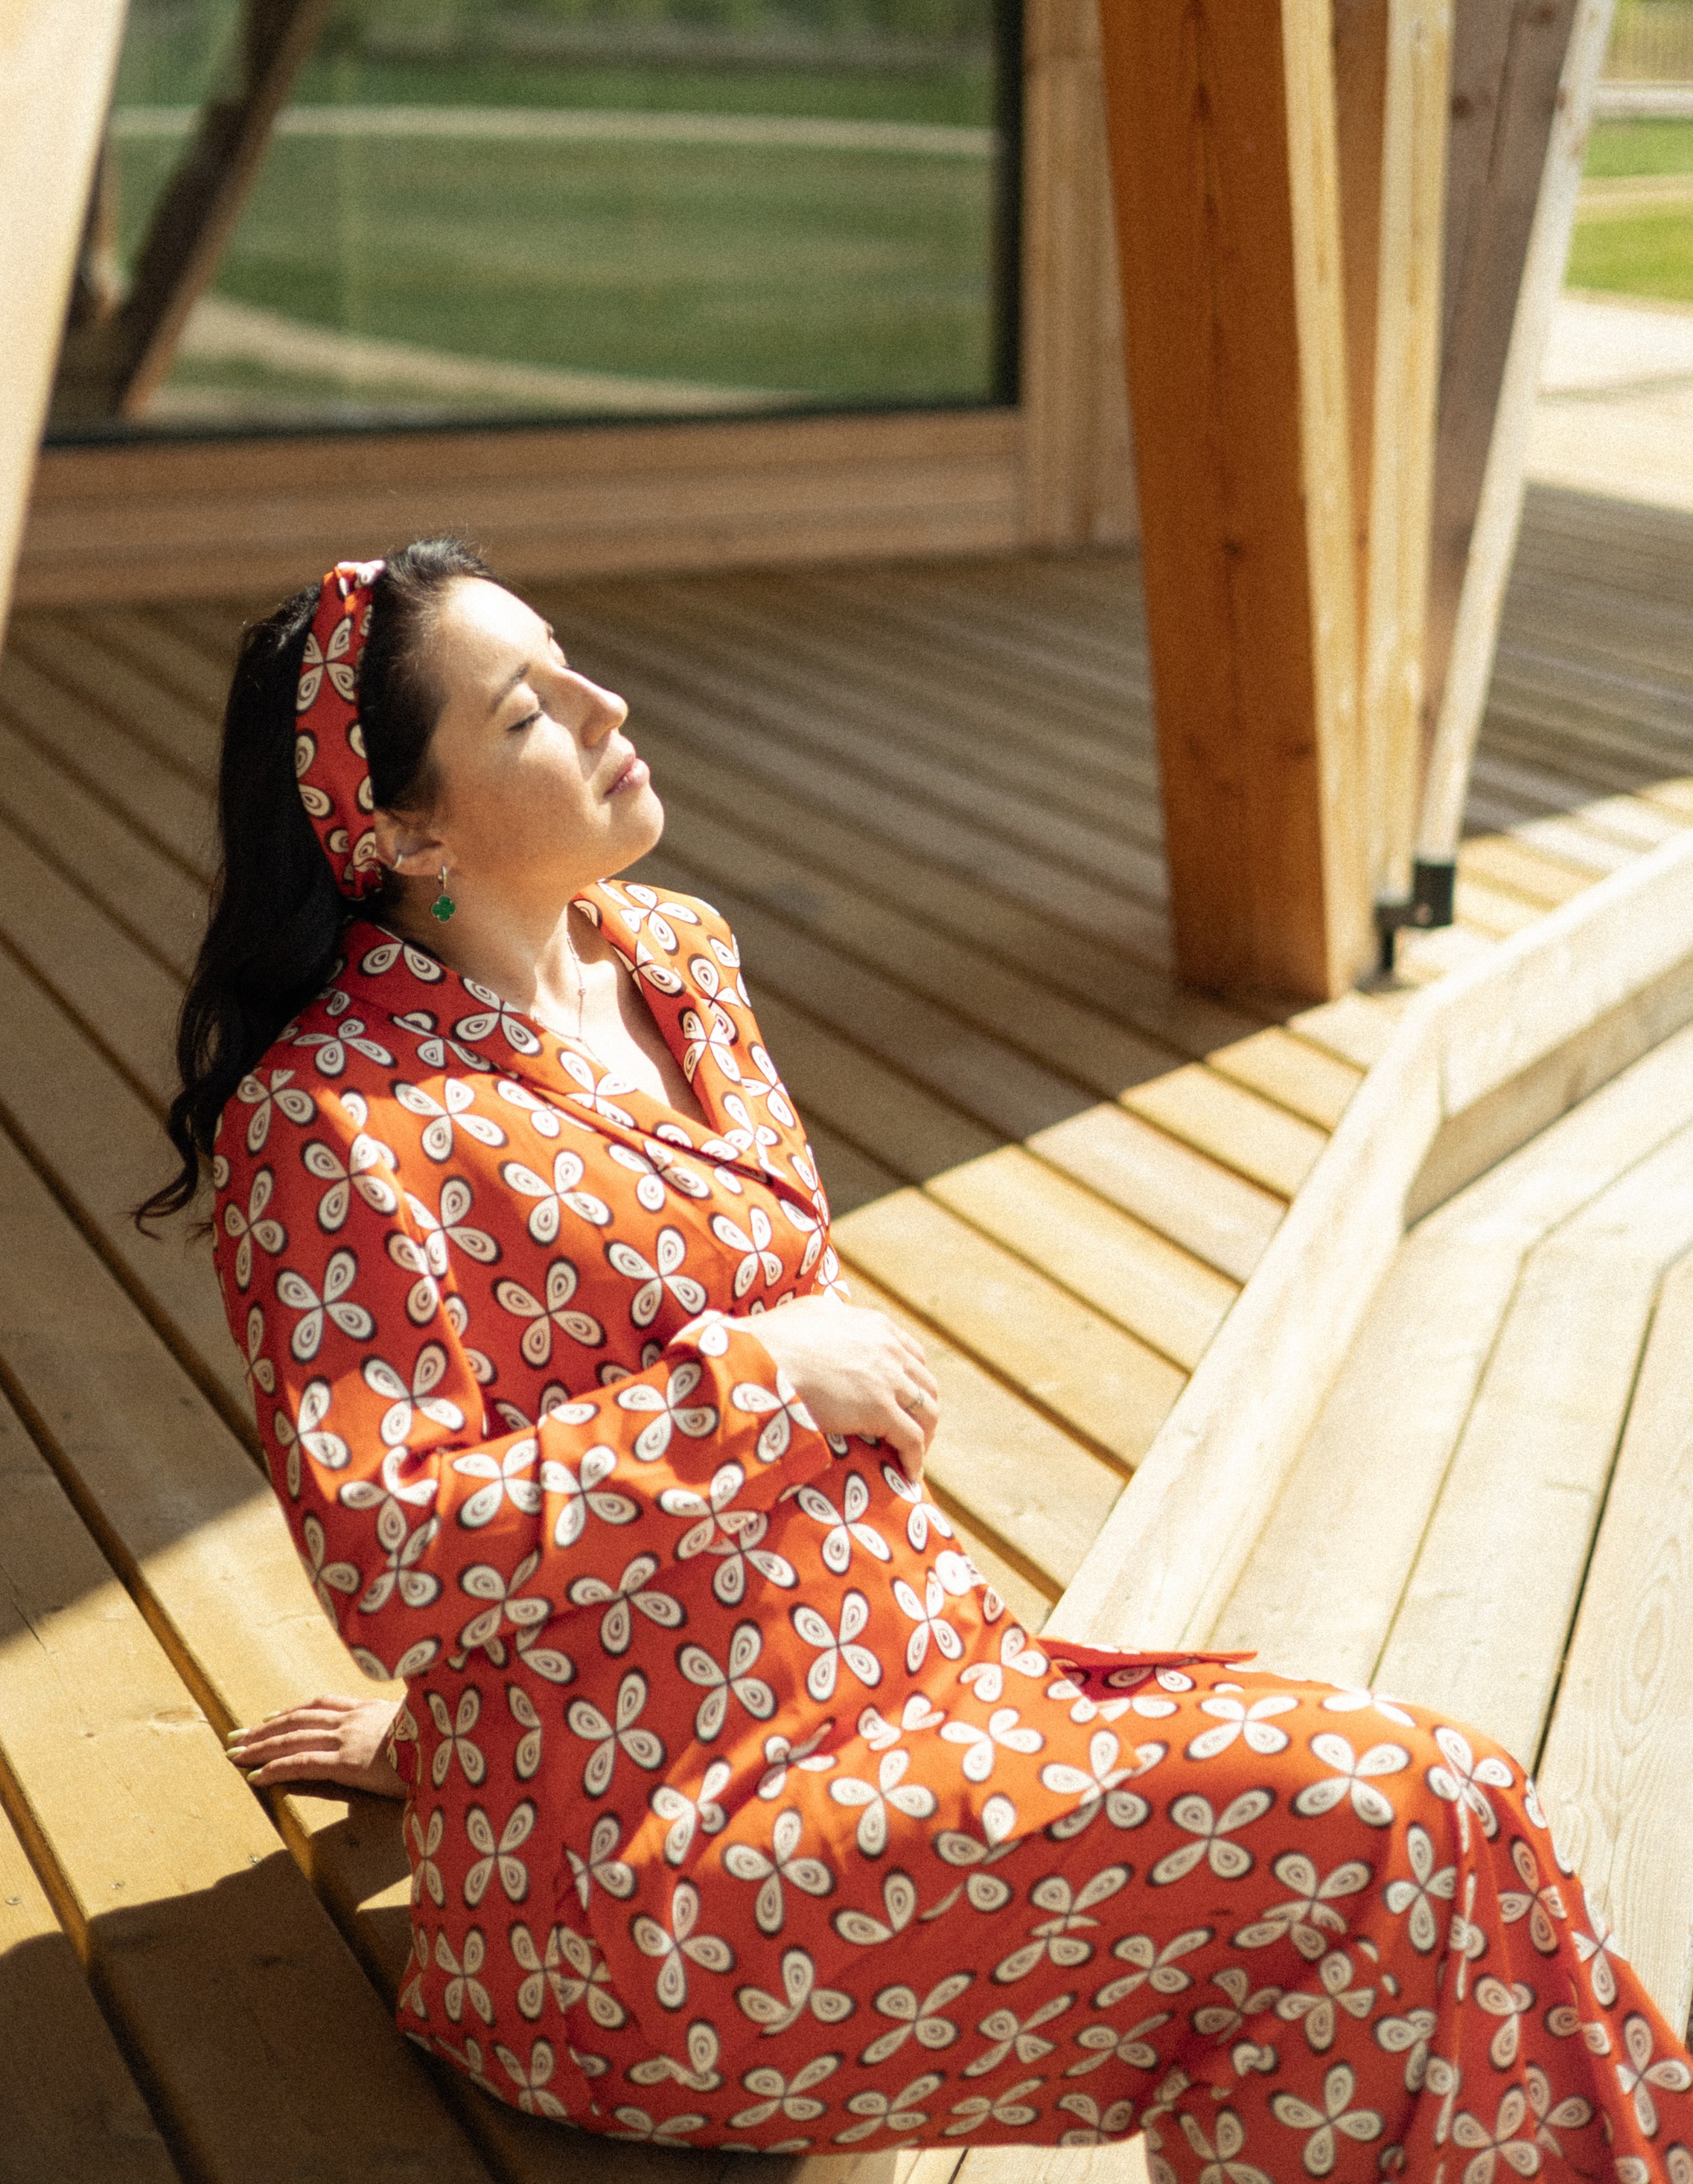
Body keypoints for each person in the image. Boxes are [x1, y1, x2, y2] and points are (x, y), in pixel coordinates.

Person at [147, 538, 1693, 2171]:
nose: (607, 706)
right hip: (663, 1886)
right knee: (1392, 1823)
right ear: (400, 829)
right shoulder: (333, 1129)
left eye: (571, 661)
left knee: (1437, 1844)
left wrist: (450, 1736)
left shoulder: (672, 959)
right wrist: (752, 1388)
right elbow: (387, 1558)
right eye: (529, 710)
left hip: (922, 1694)